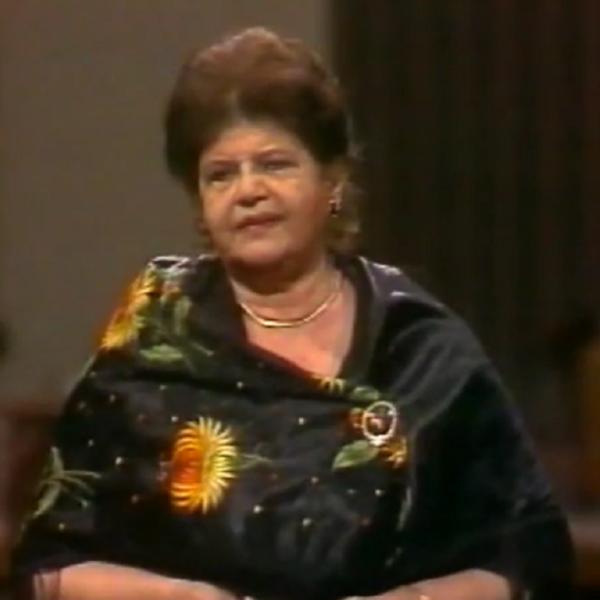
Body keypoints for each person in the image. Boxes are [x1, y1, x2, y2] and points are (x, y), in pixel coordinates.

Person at [10, 28, 572, 600]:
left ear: (333, 181)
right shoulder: (156, 330)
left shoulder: (417, 344)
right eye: (221, 174)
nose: (248, 191)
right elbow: (48, 570)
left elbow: (528, 555)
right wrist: (185, 598)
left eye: (275, 165)